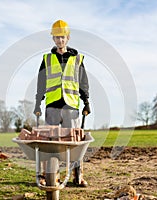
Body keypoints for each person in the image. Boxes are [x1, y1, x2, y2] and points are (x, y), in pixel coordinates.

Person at [33, 19, 91, 187]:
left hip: (71, 106)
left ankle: (78, 176)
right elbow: (41, 82)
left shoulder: (77, 59)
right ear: (53, 39)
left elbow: (83, 83)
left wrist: (86, 101)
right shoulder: (47, 59)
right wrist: (38, 102)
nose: (60, 40)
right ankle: (48, 175)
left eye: (62, 37)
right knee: (49, 144)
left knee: (75, 143)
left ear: (68, 38)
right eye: (57, 37)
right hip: (52, 105)